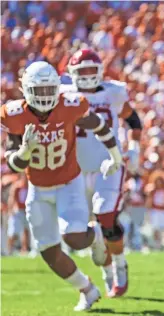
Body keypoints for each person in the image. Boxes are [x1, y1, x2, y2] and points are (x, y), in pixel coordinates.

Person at [1, 61, 124, 311]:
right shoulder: (13, 114)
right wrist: (25, 151)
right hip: (37, 188)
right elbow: (13, 163)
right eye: (39, 90)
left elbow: (100, 126)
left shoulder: (70, 106)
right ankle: (87, 290)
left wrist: (116, 156)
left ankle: (96, 236)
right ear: (26, 90)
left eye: (50, 90)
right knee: (48, 251)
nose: (45, 96)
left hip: (69, 183)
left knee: (75, 238)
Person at [61, 48, 143, 297]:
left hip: (110, 164)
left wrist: (135, 146)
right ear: (72, 73)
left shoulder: (113, 92)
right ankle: (106, 268)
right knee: (78, 230)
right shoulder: (63, 95)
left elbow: (134, 120)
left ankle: (119, 265)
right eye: (81, 71)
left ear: (100, 72)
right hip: (74, 171)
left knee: (106, 216)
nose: (86, 76)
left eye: (90, 70)